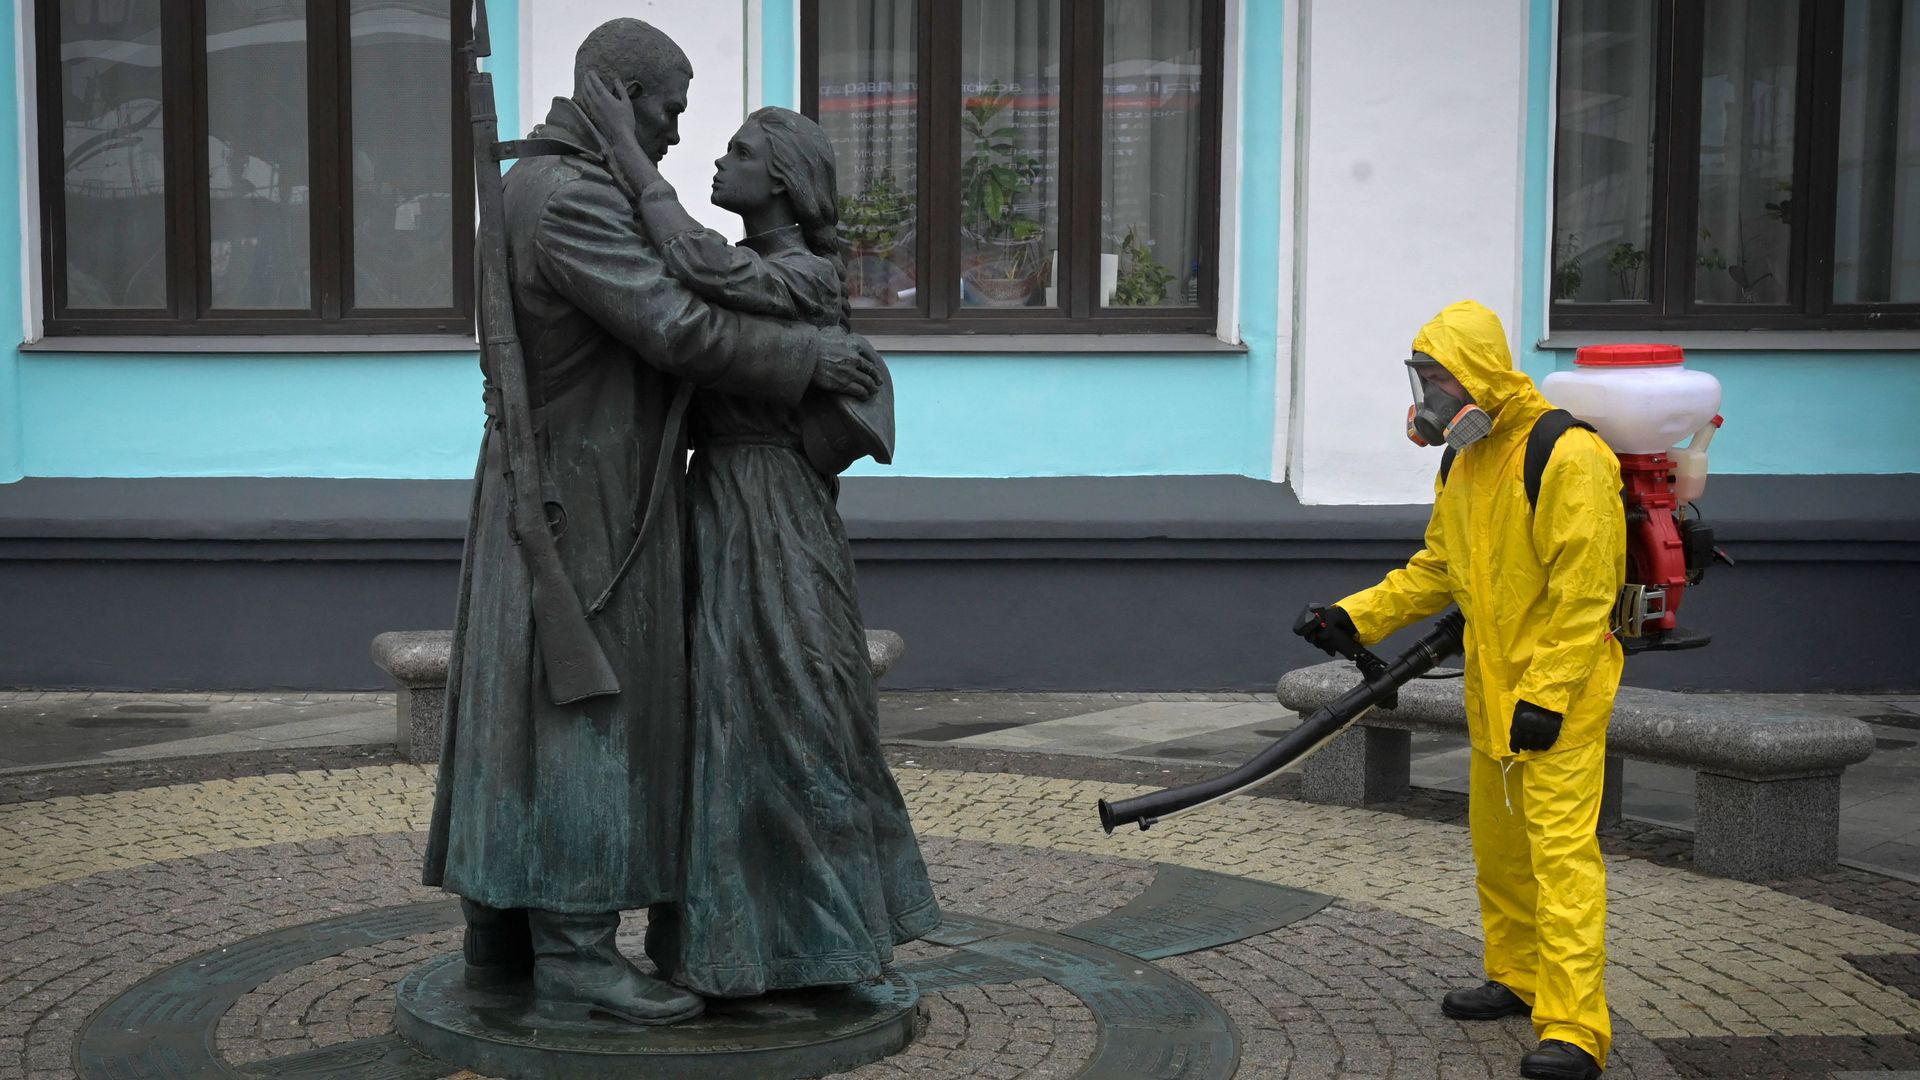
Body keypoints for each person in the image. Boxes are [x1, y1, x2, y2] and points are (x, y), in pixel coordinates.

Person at [422, 19, 884, 1027]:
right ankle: (577, 951)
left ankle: (500, 930)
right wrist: (806, 363)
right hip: (582, 498)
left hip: (570, 482)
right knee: (585, 716)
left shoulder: (544, 185)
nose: (678, 133)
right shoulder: (574, 198)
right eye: (667, 110)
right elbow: (672, 322)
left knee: (527, 707)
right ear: (612, 92)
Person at [577, 78, 940, 998]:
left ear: (782, 179)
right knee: (727, 722)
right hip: (717, 504)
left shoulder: (803, 275)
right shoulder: (754, 266)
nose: (717, 158)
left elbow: (702, 270)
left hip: (777, 507)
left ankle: (833, 939)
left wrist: (630, 164)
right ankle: (732, 944)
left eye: (739, 152)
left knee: (800, 705)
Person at [1295, 300, 1624, 1080]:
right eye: (1423, 378)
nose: (1428, 395)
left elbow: (1587, 595)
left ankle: (1576, 1027)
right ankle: (1517, 976)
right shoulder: (1465, 460)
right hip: (1492, 688)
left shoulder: (1567, 456)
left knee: (1561, 859)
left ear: (1476, 373)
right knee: (1502, 851)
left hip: (1559, 698)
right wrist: (1354, 617)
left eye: (1439, 377)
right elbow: (1438, 568)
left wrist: (1547, 694)